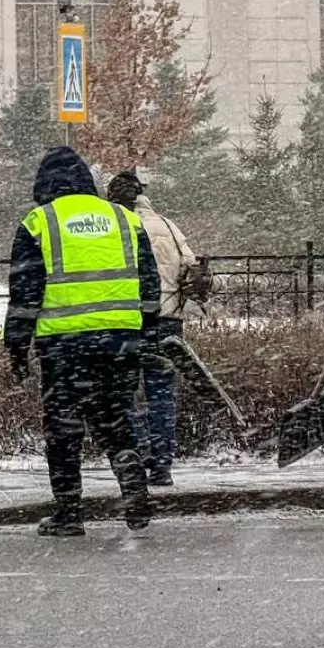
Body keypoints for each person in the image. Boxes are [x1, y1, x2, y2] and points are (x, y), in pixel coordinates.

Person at [3, 147, 162, 537]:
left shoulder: (39, 222)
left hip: (64, 345)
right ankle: (133, 484)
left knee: (64, 429)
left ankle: (69, 513)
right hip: (121, 340)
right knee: (115, 417)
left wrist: (17, 346)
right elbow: (150, 284)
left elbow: (25, 291)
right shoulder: (124, 219)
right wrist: (148, 334)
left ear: (43, 185)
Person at [107, 171, 198, 487]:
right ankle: (162, 466)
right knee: (162, 395)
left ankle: (137, 456)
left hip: (130, 321)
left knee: (125, 392)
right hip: (169, 321)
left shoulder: (118, 227)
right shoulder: (169, 226)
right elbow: (191, 267)